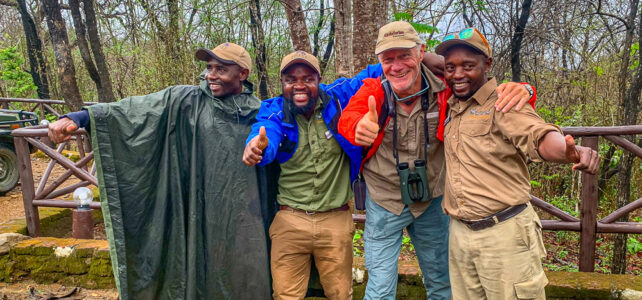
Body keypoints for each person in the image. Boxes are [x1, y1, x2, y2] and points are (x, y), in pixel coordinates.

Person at [47, 42, 274, 299]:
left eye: (221, 69)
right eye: (209, 67)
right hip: (193, 210)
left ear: (242, 74)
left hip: (243, 216)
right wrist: (80, 117)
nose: (211, 75)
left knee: (243, 274)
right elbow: (131, 112)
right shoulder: (183, 101)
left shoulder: (261, 113)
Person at [338, 21, 536, 300]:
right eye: (388, 59)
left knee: (443, 283)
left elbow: (490, 95)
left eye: (404, 55)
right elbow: (350, 117)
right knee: (379, 289)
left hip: (433, 199)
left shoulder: (445, 89)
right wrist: (358, 128)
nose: (397, 66)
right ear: (380, 62)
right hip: (384, 201)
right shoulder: (374, 90)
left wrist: (526, 89)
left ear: (421, 53)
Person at [434, 28, 599, 299]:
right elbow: (417, 59)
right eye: (450, 67)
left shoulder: (505, 102)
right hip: (460, 235)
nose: (458, 74)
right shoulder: (452, 105)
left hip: (504, 235)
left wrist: (569, 150)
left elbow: (537, 134)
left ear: (487, 64)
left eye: (468, 66)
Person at [243, 50, 384, 299]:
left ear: (319, 79)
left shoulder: (339, 98)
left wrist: (422, 55)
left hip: (336, 221)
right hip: (290, 221)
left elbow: (379, 70)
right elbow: (266, 134)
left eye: (307, 78)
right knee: (286, 295)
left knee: (340, 294)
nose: (299, 86)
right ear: (282, 83)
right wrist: (257, 146)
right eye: (291, 80)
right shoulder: (274, 110)